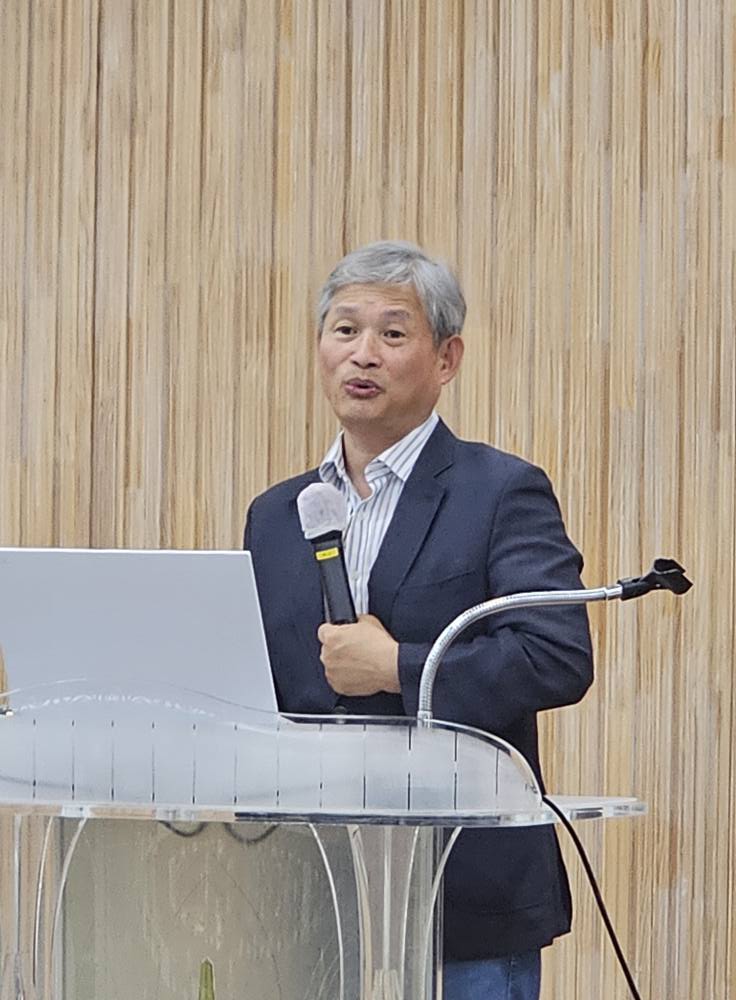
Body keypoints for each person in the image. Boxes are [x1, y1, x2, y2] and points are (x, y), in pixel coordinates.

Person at [244, 241, 594, 1000]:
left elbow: (556, 656)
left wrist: (399, 666)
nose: (362, 353)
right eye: (344, 330)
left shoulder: (500, 491)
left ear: (446, 359)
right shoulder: (275, 515)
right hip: (308, 890)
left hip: (463, 890)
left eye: (393, 333)